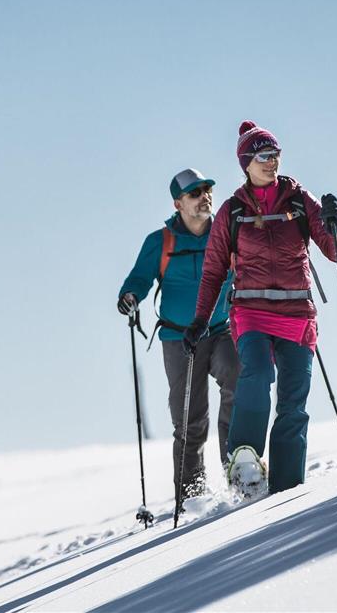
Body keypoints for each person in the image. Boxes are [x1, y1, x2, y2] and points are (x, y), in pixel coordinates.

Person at [183, 121, 337, 495]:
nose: (272, 162)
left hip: (297, 316)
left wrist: (334, 224)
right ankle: (244, 457)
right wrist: (199, 320)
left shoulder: (298, 199)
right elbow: (212, 272)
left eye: (275, 155)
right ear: (246, 162)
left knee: (293, 404)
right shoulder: (233, 212)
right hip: (252, 311)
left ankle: (286, 493)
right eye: (263, 156)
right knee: (256, 374)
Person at [118, 168, 239, 499]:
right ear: (178, 203)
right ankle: (192, 497)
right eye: (195, 193)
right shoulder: (161, 242)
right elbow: (139, 279)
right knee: (190, 420)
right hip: (179, 340)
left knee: (237, 380)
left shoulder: (228, 232)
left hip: (220, 329)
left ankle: (239, 473)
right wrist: (129, 297)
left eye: (207, 190)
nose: (205, 197)